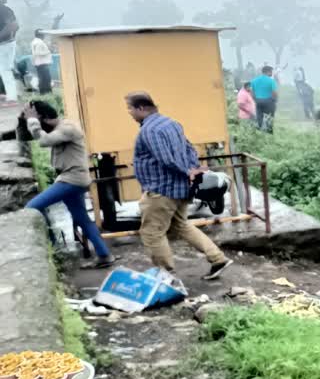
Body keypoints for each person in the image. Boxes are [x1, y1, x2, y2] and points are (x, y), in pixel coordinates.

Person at [126, 92, 233, 280]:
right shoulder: (171, 123)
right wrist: (193, 169)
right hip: (180, 188)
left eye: (131, 109)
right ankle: (218, 258)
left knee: (152, 233)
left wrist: (188, 171)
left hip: (161, 189)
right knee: (181, 225)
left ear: (141, 108)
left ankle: (166, 275)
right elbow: (189, 148)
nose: (130, 113)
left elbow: (165, 159)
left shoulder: (149, 130)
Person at [23, 100, 116, 268]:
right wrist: (24, 120)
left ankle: (54, 247)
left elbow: (43, 141)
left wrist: (33, 121)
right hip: (70, 179)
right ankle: (104, 255)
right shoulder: (60, 129)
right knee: (82, 219)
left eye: (40, 123)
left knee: (32, 206)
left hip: (71, 180)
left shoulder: (67, 128)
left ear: (44, 118)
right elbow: (27, 137)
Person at [0, 0, 19, 103]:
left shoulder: (3, 10)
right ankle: (10, 95)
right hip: (8, 42)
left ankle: (12, 97)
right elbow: (16, 27)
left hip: (4, 44)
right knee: (5, 69)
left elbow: (13, 25)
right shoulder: (7, 10)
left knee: (5, 70)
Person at [250, 66, 278, 133]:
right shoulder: (271, 81)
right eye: (271, 71)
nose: (272, 73)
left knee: (259, 117)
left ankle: (259, 132)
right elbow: (274, 92)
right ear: (267, 72)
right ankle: (269, 132)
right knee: (269, 117)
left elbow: (252, 92)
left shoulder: (254, 81)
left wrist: (255, 99)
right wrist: (274, 100)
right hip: (268, 101)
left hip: (258, 101)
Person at [30, 30, 53, 94]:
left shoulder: (34, 41)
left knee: (42, 78)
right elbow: (38, 52)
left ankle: (43, 92)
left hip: (38, 63)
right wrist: (48, 51)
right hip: (43, 63)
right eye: (43, 34)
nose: (44, 36)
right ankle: (47, 92)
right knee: (46, 79)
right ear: (41, 34)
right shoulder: (39, 42)